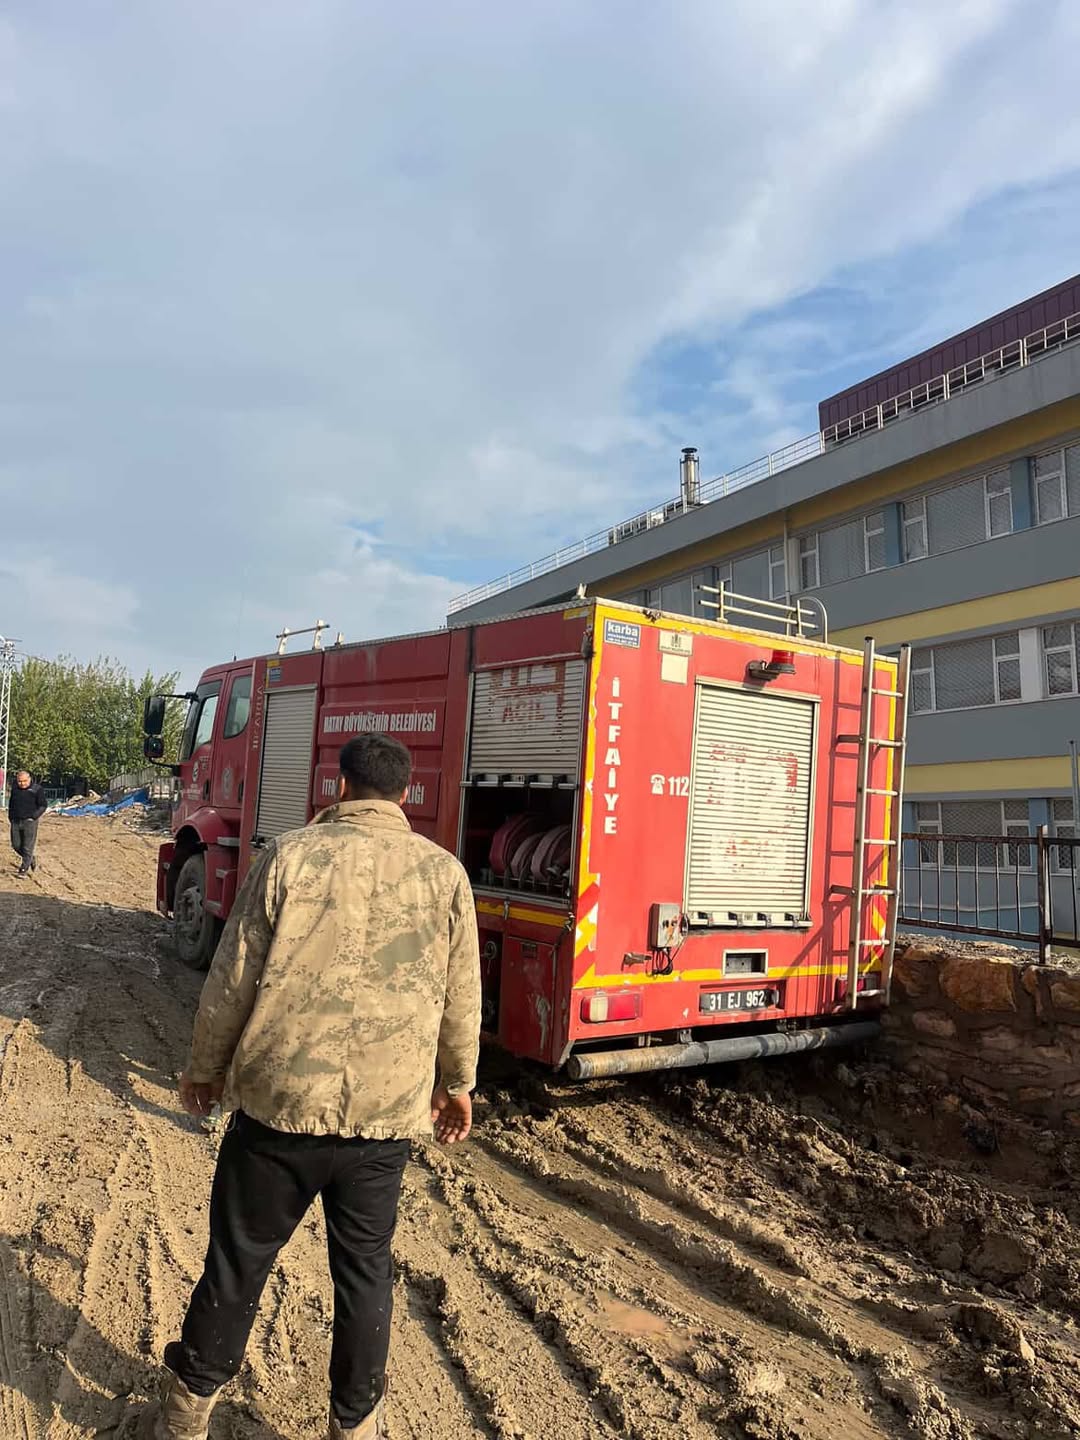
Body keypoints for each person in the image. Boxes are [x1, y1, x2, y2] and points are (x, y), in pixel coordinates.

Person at [141, 734, 481, 1440]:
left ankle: (185, 1415)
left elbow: (233, 976)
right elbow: (461, 994)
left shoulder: (289, 857)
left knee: (237, 1264)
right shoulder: (445, 874)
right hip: (382, 1124)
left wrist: (205, 1070)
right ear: (405, 794)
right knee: (364, 1276)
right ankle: (353, 1426)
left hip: (277, 1111)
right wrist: (458, 1083)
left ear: (340, 785)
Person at [9, 770, 47, 876]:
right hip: (16, 821)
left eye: (24, 781)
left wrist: (34, 817)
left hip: (30, 822)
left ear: (29, 779)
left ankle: (23, 869)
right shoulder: (15, 789)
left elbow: (43, 805)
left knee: (27, 846)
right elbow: (12, 803)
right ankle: (30, 858)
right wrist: (11, 817)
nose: (22, 783)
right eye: (20, 781)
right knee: (16, 845)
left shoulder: (37, 790)